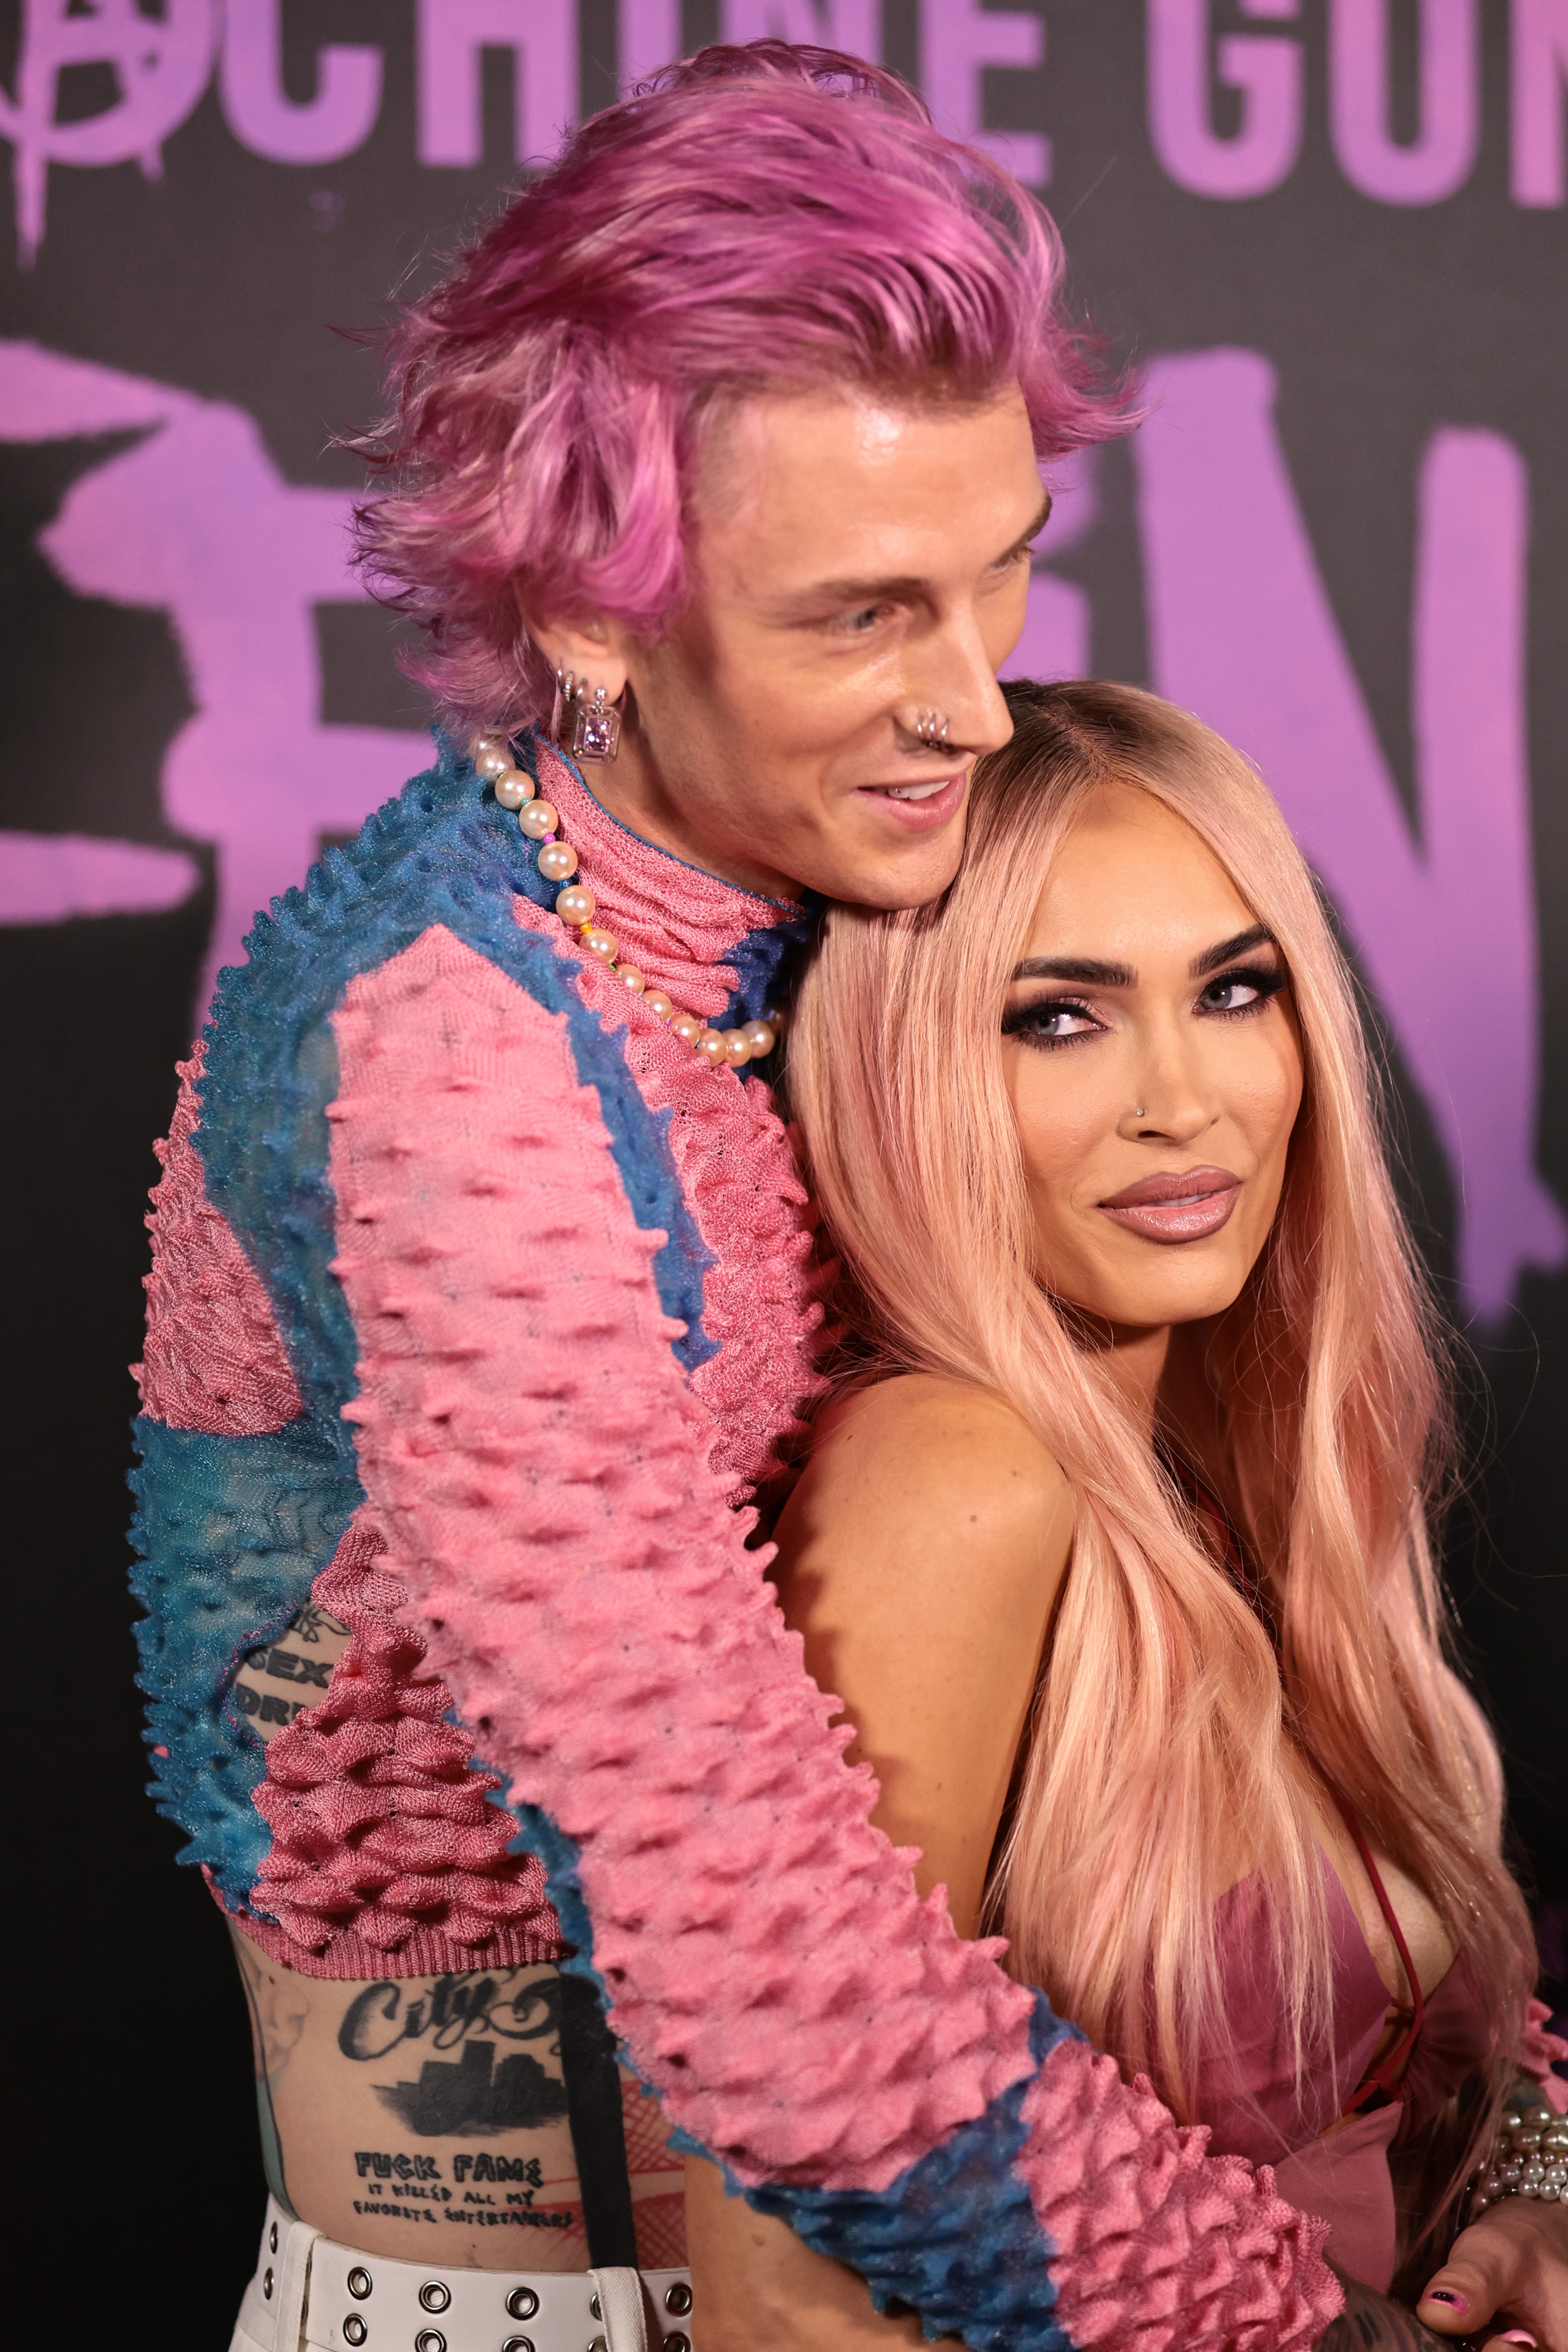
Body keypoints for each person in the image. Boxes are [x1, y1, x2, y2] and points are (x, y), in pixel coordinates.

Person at [130, 44, 1347, 2352]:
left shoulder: (838, 894)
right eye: (863, 616)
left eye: (999, 581)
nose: (977, 705)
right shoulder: (439, 1046)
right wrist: (1318, 2332)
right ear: (593, 613)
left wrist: (1511, 2149)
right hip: (538, 2311)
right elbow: (765, 1969)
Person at [697, 676, 1566, 2351]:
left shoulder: (1237, 1487)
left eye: (1234, 988)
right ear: (903, 1063)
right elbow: (786, 2300)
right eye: (1058, 1016)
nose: (1187, 1098)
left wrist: (1526, 2190)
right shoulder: (951, 1475)